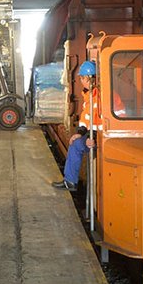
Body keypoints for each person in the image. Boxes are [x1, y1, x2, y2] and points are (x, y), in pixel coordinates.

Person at [53, 60, 103, 190]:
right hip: (92, 137)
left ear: (91, 79)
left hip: (105, 139)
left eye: (83, 78)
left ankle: (70, 181)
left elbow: (108, 124)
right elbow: (86, 120)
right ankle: (69, 181)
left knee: (77, 145)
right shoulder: (89, 97)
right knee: (75, 143)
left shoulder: (102, 98)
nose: (81, 81)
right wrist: (79, 133)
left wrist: (95, 138)